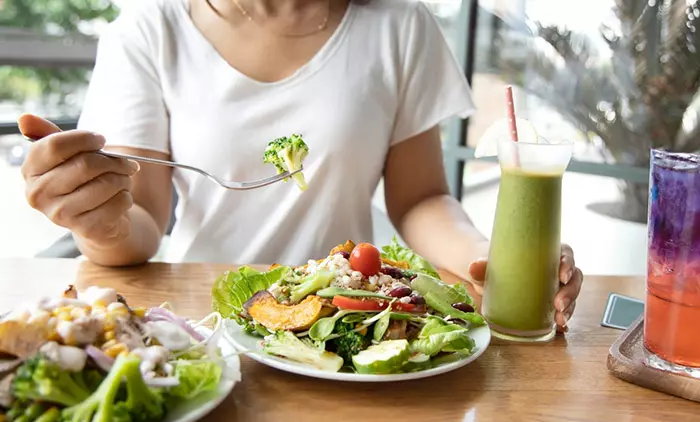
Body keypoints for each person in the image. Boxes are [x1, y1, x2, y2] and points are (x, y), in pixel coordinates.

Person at [18, 0, 582, 332]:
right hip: (200, 322)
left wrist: (493, 257)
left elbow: (419, 200)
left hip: (345, 320)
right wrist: (99, 220)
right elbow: (140, 219)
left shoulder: (399, 23)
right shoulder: (149, 26)